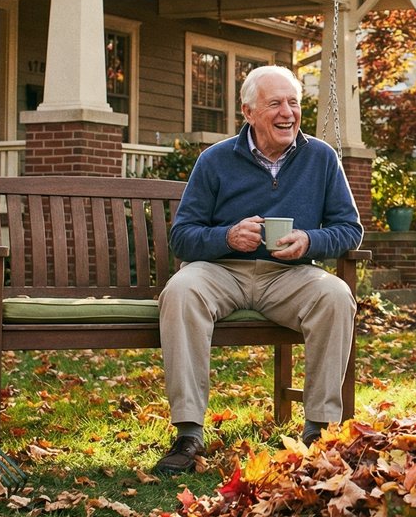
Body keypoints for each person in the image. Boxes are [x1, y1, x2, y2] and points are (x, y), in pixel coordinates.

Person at [153, 65, 363, 475]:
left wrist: (310, 241)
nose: (288, 113)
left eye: (294, 103)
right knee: (181, 291)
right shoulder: (215, 160)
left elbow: (349, 228)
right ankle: (188, 433)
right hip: (221, 272)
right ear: (248, 112)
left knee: (336, 295)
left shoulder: (321, 157)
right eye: (275, 104)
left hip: (288, 275)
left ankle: (320, 429)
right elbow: (183, 236)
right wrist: (227, 237)